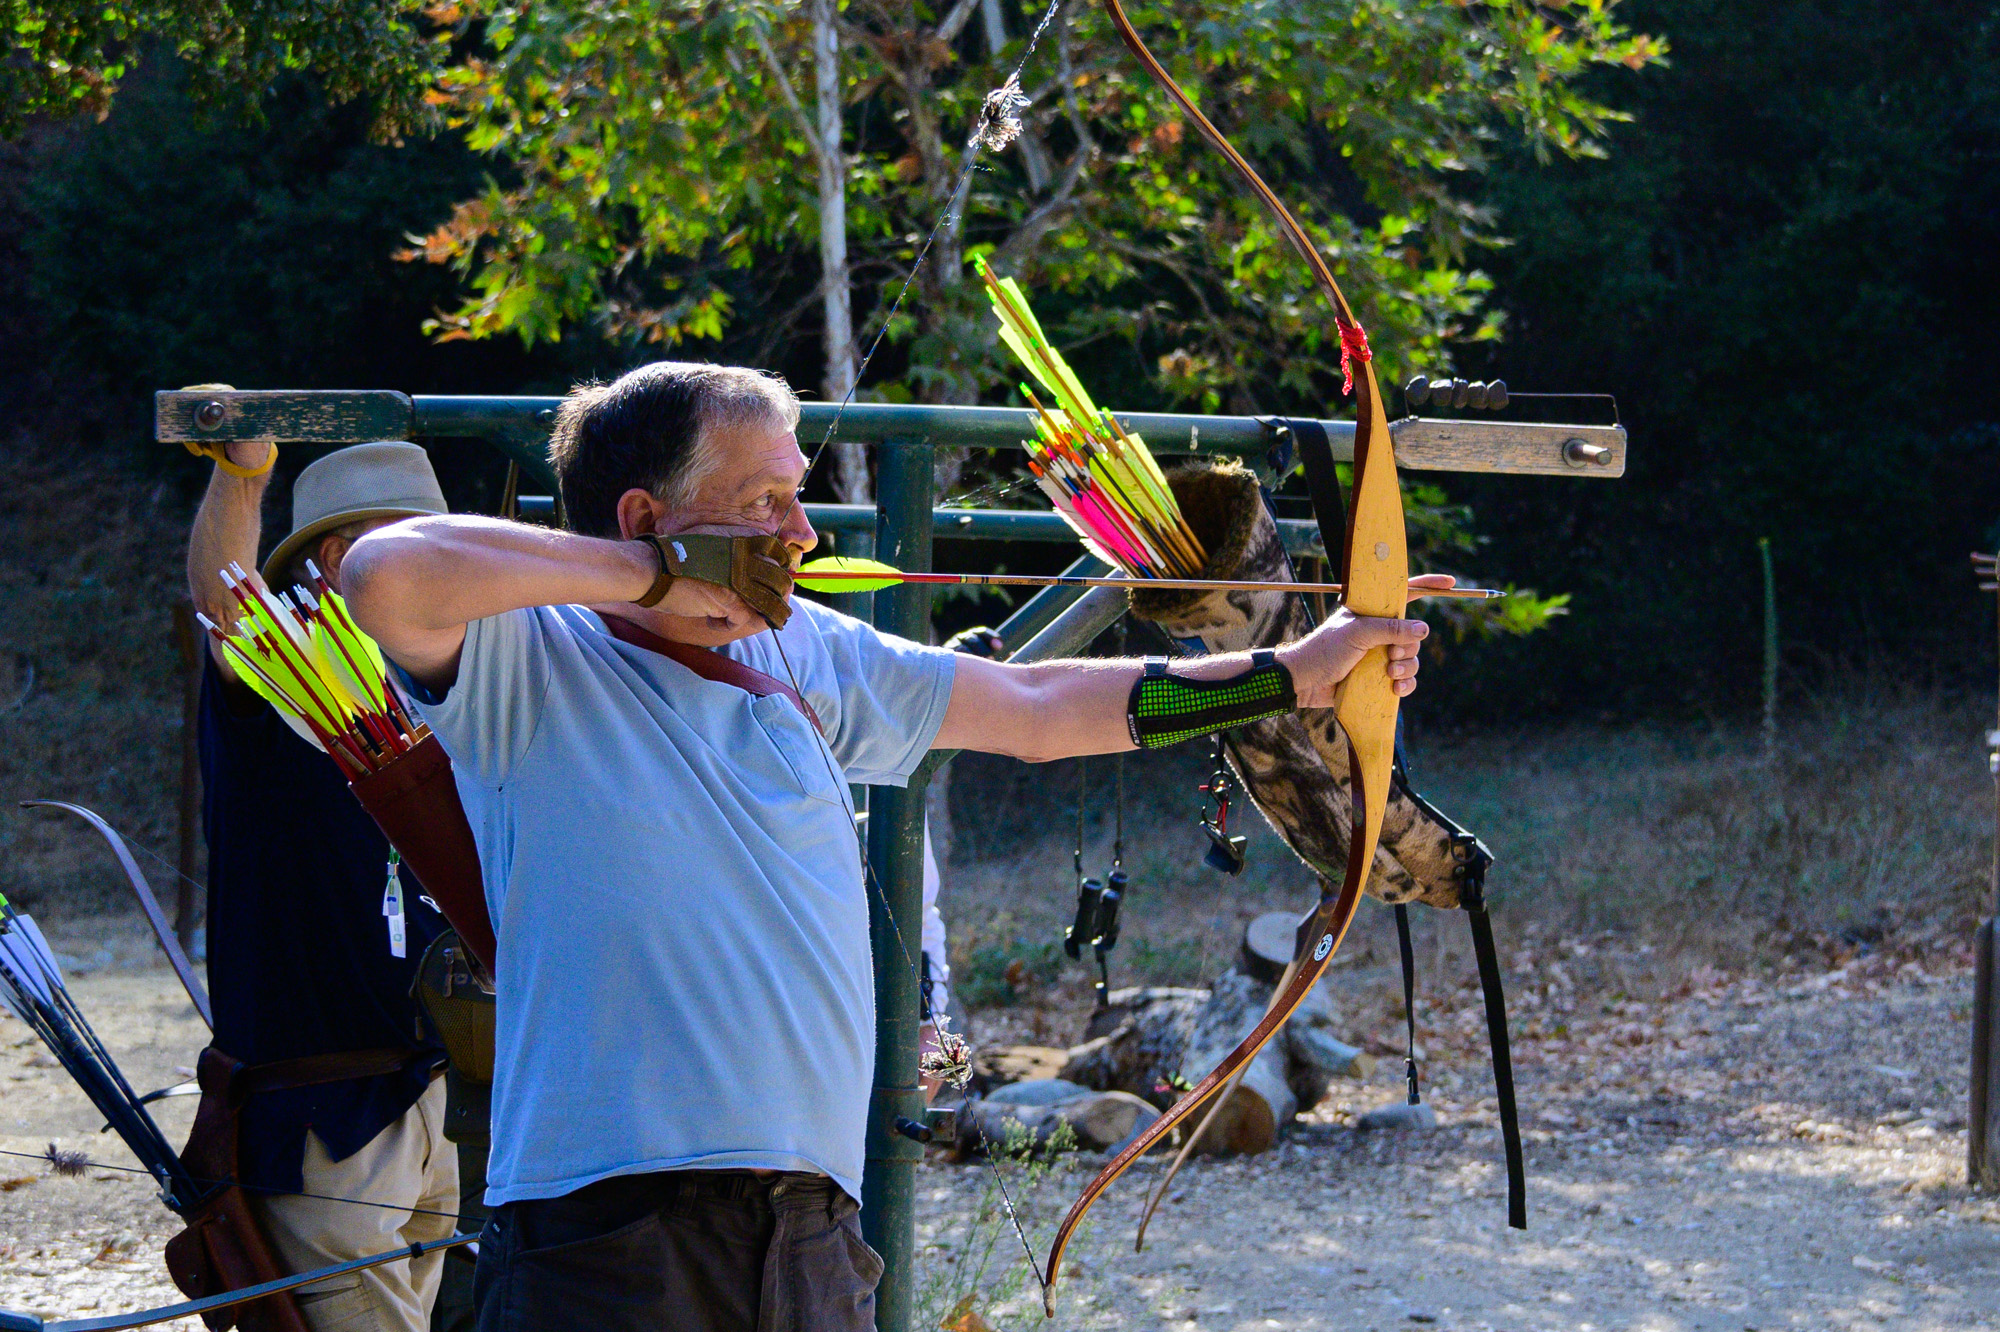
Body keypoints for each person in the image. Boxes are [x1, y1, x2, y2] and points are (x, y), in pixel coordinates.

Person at [339, 361, 1434, 1332]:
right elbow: (383, 570)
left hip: (811, 1228)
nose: (801, 534)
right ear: (644, 517)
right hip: (610, 1234)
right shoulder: (530, 661)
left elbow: (1038, 709)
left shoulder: (808, 649)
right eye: (763, 503)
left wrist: (1294, 675)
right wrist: (652, 574)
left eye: (797, 497)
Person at [186, 438, 459, 1332]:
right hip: (325, 1118)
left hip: (425, 1103)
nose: (446, 572)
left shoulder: (431, 682)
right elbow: (226, 609)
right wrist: (242, 476)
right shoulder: (282, 673)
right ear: (341, 560)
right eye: (416, 547)